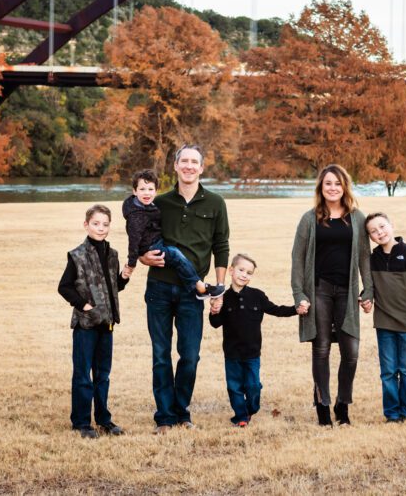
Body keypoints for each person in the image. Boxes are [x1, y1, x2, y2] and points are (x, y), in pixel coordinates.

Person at [137, 144, 230, 433]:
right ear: (175, 166)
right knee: (161, 354)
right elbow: (142, 241)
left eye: (194, 162)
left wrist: (220, 288)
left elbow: (221, 247)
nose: (189, 166)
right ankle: (165, 417)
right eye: (184, 161)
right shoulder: (159, 203)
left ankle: (182, 411)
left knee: (190, 355)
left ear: (202, 168)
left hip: (195, 293)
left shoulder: (215, 204)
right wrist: (142, 257)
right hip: (160, 288)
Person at [291, 164, 373, 426]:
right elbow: (297, 258)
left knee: (351, 353)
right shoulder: (309, 218)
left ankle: (343, 403)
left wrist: (368, 289)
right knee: (322, 349)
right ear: (321, 187)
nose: (333, 188)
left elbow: (364, 257)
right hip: (319, 291)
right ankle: (323, 407)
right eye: (328, 183)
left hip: (347, 292)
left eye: (337, 183)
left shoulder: (357, 218)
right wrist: (298, 294)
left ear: (344, 186)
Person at [57, 204, 132, 438]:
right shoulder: (77, 255)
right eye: (96, 223)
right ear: (86, 225)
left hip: (106, 323)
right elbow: (64, 287)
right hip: (86, 324)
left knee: (103, 375)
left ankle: (103, 419)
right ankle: (81, 422)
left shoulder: (113, 255)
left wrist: (123, 278)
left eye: (105, 224)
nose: (101, 228)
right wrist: (83, 305)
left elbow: (113, 287)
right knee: (82, 375)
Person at [209, 253, 299, 427]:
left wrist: (296, 310)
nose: (244, 275)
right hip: (232, 353)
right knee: (234, 387)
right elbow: (215, 324)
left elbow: (276, 309)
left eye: (249, 273)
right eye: (241, 270)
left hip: (252, 352)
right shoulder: (223, 298)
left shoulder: (257, 296)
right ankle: (241, 416)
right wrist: (214, 311)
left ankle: (251, 409)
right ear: (231, 271)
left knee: (253, 386)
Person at [365, 212, 406, 422]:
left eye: (382, 227)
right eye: (373, 231)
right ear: (370, 237)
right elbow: (370, 288)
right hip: (384, 323)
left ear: (391, 226)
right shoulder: (372, 259)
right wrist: (365, 299)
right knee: (388, 371)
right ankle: (392, 414)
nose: (380, 233)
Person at [123, 169, 225, 300]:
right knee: (176, 255)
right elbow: (134, 239)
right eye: (142, 189)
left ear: (156, 190)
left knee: (176, 255)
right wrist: (134, 261)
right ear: (134, 191)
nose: (147, 193)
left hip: (156, 242)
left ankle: (198, 285)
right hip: (151, 248)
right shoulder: (136, 215)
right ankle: (199, 286)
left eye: (150, 189)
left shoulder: (148, 205)